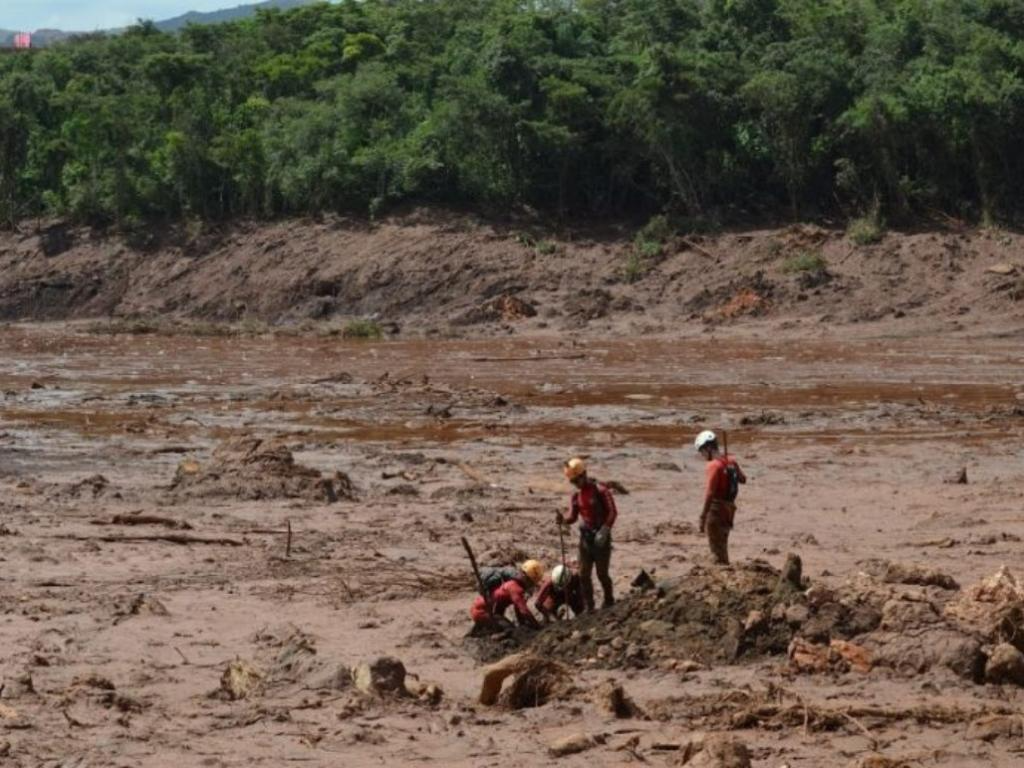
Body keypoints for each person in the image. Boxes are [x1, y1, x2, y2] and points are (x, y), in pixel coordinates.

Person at [556, 457, 617, 610]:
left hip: (601, 539)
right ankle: (590, 607)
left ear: (584, 474)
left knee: (602, 574)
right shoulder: (576, 496)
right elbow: (572, 517)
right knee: (584, 575)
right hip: (586, 540)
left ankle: (609, 600)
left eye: (577, 480)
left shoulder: (600, 490)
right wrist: (562, 520)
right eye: (573, 482)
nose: (576, 484)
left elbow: (612, 512)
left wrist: (605, 529)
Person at [695, 430, 746, 565]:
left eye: (702, 451)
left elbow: (710, 493)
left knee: (716, 549)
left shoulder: (713, 465)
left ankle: (721, 571)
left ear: (708, 448)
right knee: (722, 543)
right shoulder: (731, 461)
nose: (703, 455)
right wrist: (730, 467)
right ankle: (725, 566)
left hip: (716, 510)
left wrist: (702, 516)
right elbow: (743, 479)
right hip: (729, 510)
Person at [469, 559, 544, 631]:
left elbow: (511, 609)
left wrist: (523, 624)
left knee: (507, 625)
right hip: (481, 612)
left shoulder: (511, 584)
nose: (530, 586)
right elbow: (524, 611)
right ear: (526, 578)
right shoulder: (515, 588)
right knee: (511, 630)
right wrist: (537, 626)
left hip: (478, 609)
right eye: (531, 583)